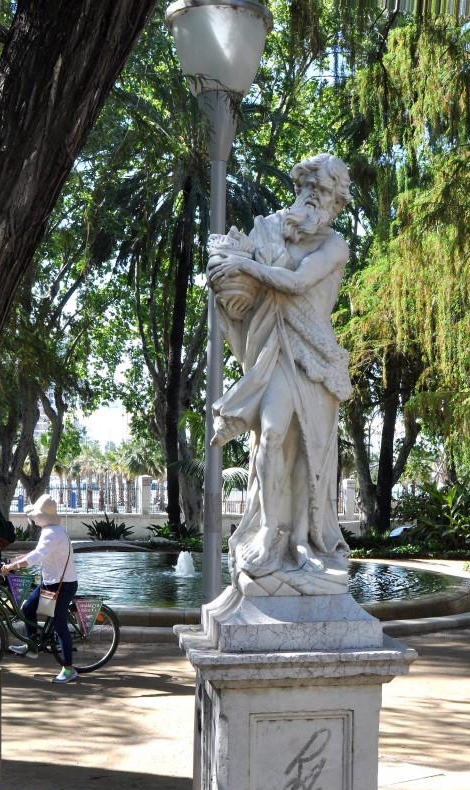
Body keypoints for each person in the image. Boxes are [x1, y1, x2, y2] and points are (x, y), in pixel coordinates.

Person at [206, 153, 353, 578]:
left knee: (312, 452)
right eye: (306, 187)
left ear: (337, 200)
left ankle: (303, 541)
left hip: (318, 358)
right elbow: (231, 271)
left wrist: (247, 265)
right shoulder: (269, 232)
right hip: (275, 350)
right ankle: (271, 528)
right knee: (272, 433)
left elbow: (298, 283)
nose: (312, 197)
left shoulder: (333, 244)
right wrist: (224, 265)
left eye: (322, 191)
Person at [1, 494, 79, 684]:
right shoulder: (50, 530)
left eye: (36, 515)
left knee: (60, 625)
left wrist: (14, 567)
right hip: (50, 582)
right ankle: (32, 646)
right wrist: (15, 560)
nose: (34, 518)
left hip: (63, 585)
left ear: (42, 517)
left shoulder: (52, 533)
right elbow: (37, 552)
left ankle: (69, 669)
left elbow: (37, 556)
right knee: (28, 608)